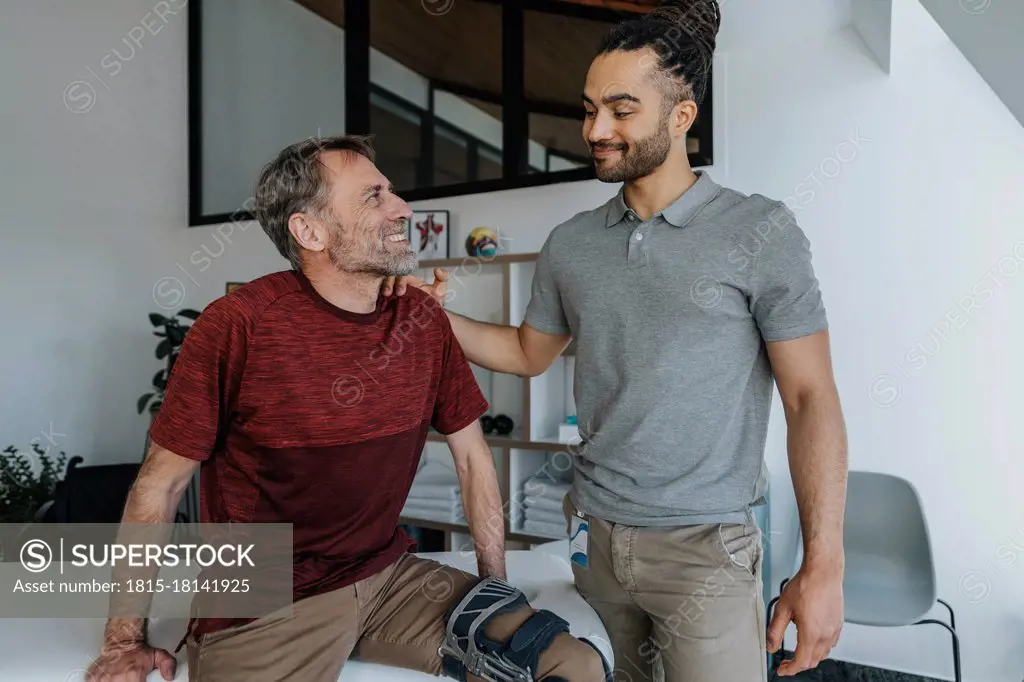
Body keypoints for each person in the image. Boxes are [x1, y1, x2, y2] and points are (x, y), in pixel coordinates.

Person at [388, 1, 848, 681]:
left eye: (621, 109)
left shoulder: (760, 232)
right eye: (588, 108)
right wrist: (432, 319)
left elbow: (810, 397)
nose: (595, 129)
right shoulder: (572, 244)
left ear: (681, 116)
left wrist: (824, 565)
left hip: (704, 548)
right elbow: (527, 353)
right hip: (594, 537)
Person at [85, 135, 611, 682]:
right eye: (372, 197)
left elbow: (475, 458)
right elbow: (159, 486)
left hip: (389, 578)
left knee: (570, 663)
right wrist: (124, 639)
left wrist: (493, 586)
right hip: (266, 601)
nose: (402, 208)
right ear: (308, 230)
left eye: (391, 192)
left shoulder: (422, 321)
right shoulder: (237, 326)